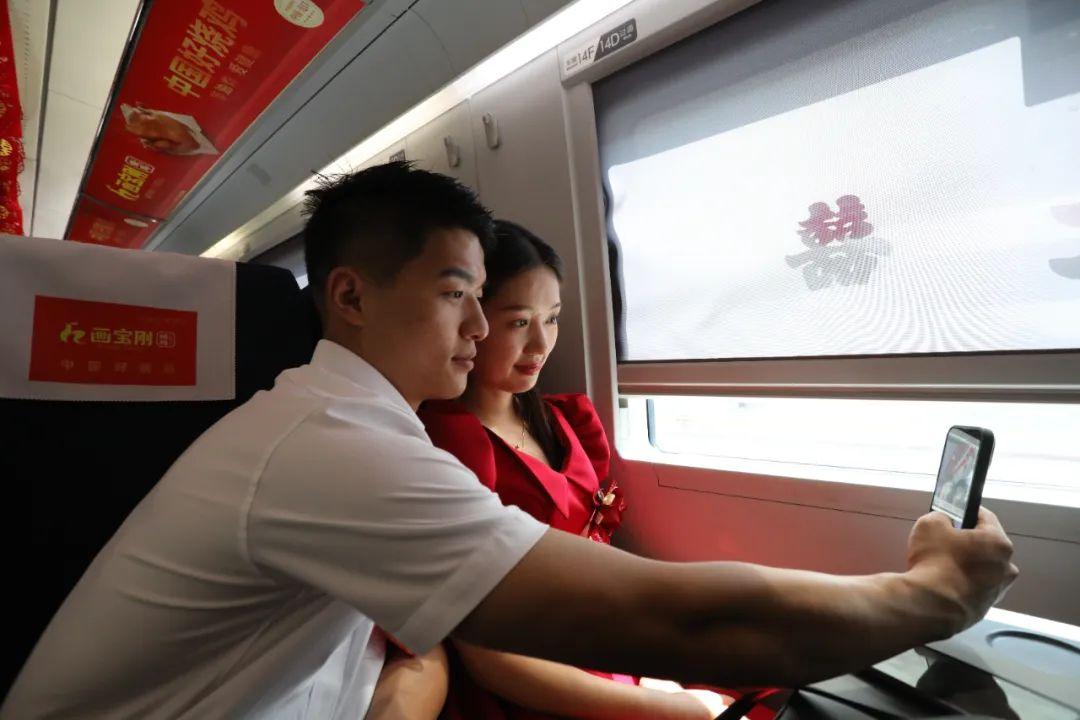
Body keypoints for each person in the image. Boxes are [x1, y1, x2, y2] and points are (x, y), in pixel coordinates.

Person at [2, 163, 1018, 719]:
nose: (485, 331)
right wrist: (933, 595)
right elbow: (677, 622)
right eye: (459, 296)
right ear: (349, 297)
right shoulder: (326, 446)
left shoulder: (350, 427)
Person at [419, 220, 728, 719]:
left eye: (553, 319)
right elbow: (490, 657)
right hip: (533, 671)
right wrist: (664, 706)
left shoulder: (561, 422)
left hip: (600, 635)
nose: (541, 343)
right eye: (518, 322)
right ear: (469, 322)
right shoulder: (450, 445)